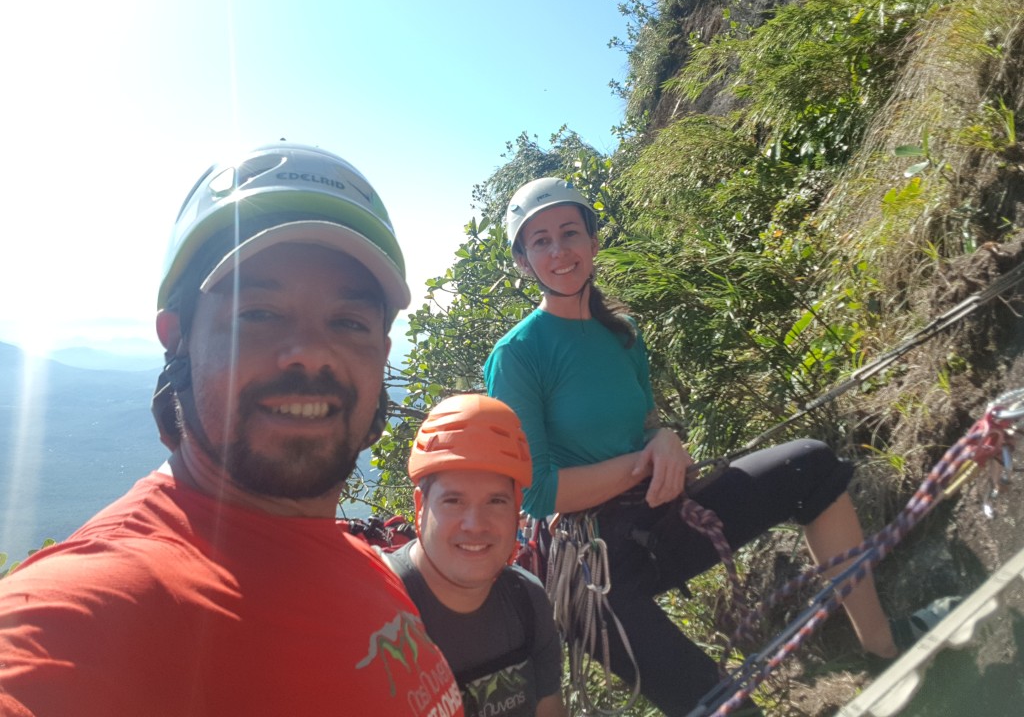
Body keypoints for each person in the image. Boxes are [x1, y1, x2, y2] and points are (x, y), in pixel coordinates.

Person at [0, 143, 463, 717]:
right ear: (178, 338)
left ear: (382, 356)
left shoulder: (369, 567)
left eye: (349, 322)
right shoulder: (83, 616)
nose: (311, 352)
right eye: (258, 314)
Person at [483, 177, 950, 716]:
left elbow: (644, 422)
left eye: (569, 232)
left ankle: (883, 649)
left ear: (592, 240)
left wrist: (662, 437)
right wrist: (645, 461)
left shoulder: (622, 333)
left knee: (811, 466)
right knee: (727, 710)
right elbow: (536, 492)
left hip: (657, 516)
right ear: (524, 261)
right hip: (592, 568)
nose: (559, 251)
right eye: (540, 241)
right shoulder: (518, 355)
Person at [389, 393, 567, 717]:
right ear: (420, 508)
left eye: (496, 501)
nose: (475, 525)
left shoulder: (527, 600)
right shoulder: (376, 607)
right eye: (453, 501)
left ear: (516, 511)